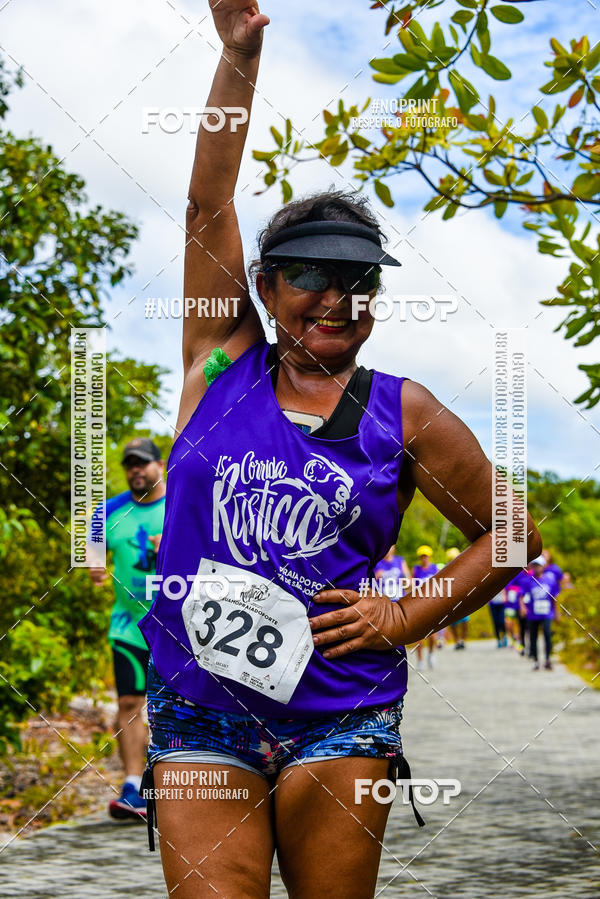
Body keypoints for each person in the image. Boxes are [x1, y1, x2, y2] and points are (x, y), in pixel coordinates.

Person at [137, 4, 542, 896]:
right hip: (202, 707)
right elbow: (209, 201)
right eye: (311, 275)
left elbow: (513, 532)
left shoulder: (407, 412)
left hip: (340, 716)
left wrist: (405, 615)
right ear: (266, 286)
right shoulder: (221, 364)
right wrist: (237, 54)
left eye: (358, 280)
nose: (336, 297)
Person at [89, 437, 166, 819]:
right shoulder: (107, 511)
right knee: (129, 703)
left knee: (181, 707)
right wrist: (94, 565)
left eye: (143, 463)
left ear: (160, 465)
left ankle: (180, 783)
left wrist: (167, 548)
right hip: (128, 625)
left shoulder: (182, 505)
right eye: (129, 465)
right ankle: (133, 786)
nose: (136, 470)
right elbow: (92, 546)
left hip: (178, 626)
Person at [521, 556, 561, 671]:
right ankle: (536, 660)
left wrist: (557, 612)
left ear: (543, 566)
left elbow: (555, 598)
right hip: (532, 614)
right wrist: (523, 608)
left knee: (547, 634)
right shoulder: (528, 581)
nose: (536, 568)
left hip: (547, 613)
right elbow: (522, 596)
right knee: (533, 637)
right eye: (534, 565)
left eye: (538, 565)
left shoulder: (550, 580)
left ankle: (548, 659)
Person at [412, 546, 439, 669]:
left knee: (433, 636)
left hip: (433, 605)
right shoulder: (416, 570)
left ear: (429, 557)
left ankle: (431, 654)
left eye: (426, 556)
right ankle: (420, 660)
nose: (424, 558)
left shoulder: (435, 568)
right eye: (422, 556)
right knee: (418, 637)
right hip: (419, 605)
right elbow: (411, 586)